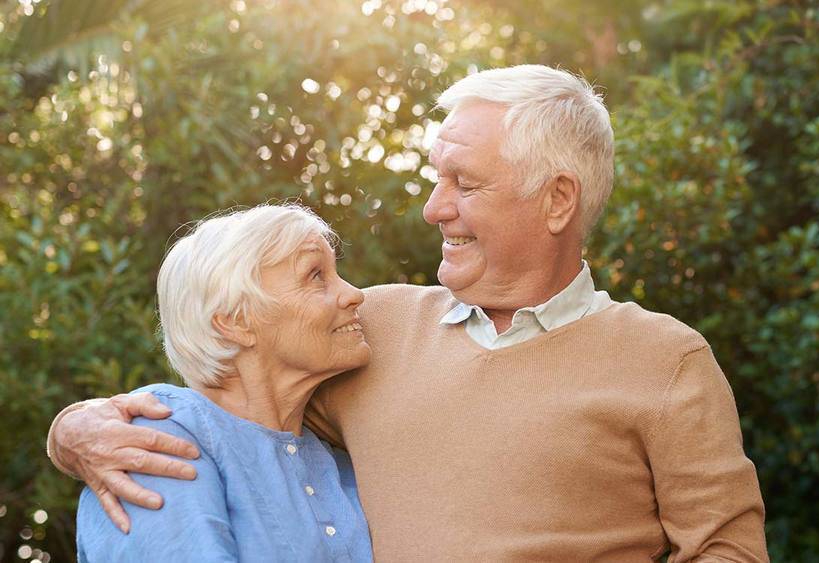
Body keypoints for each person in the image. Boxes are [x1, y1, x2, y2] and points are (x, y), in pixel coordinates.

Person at [49, 65, 768, 561]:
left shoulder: (663, 359)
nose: (434, 207)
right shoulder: (373, 331)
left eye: (465, 182)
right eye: (436, 178)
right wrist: (72, 430)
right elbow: (239, 403)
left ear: (557, 199)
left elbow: (728, 548)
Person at [75, 205, 373, 561]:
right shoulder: (156, 436)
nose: (355, 294)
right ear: (235, 322)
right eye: (315, 275)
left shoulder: (343, 462)